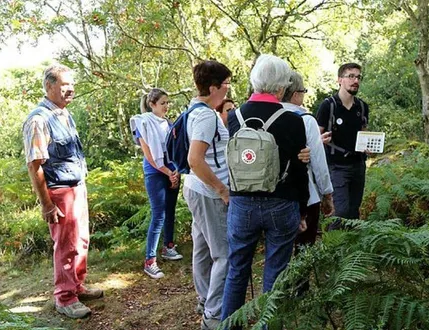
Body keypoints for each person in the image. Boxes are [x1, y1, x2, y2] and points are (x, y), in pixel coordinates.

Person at [222, 54, 309, 327]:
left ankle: (228, 324)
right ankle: (270, 324)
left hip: (241, 203)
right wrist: (303, 210)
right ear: (282, 87)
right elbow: (299, 170)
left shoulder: (233, 116)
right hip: (281, 203)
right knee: (276, 270)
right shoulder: (293, 120)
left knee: (236, 269)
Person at [22, 64, 103, 319]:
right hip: (59, 192)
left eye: (72, 85)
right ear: (49, 86)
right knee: (66, 246)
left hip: (76, 187)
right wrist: (46, 204)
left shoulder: (64, 114)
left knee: (81, 240)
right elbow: (34, 165)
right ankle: (65, 298)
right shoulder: (38, 120)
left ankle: (77, 286)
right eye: (64, 85)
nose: (70, 90)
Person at [183, 60, 233, 330]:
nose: (227, 89)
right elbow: (195, 159)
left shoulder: (195, 109)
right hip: (207, 192)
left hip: (195, 188)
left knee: (202, 250)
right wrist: (221, 189)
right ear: (213, 87)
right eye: (225, 84)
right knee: (224, 254)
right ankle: (214, 315)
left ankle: (205, 300)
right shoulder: (205, 116)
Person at [130, 88, 183, 280]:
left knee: (170, 210)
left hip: (171, 169)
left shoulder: (167, 124)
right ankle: (150, 260)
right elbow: (149, 155)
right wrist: (167, 172)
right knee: (158, 214)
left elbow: (175, 148)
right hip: (156, 172)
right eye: (163, 103)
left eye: (168, 103)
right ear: (152, 104)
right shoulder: (143, 123)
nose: (167, 106)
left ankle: (168, 246)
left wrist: (176, 170)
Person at [281, 71, 335, 248]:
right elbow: (318, 162)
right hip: (305, 195)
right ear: (296, 94)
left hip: (273, 196)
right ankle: (301, 277)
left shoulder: (269, 115)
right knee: (304, 247)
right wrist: (327, 194)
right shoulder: (306, 120)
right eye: (303, 91)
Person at [316, 63, 370, 225]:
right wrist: (320, 141)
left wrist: (370, 148)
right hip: (336, 166)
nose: (356, 81)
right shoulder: (328, 106)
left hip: (358, 165)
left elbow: (364, 133)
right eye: (351, 76)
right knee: (340, 212)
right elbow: (316, 137)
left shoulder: (362, 106)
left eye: (358, 77)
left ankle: (350, 248)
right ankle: (334, 247)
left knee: (354, 212)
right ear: (340, 80)